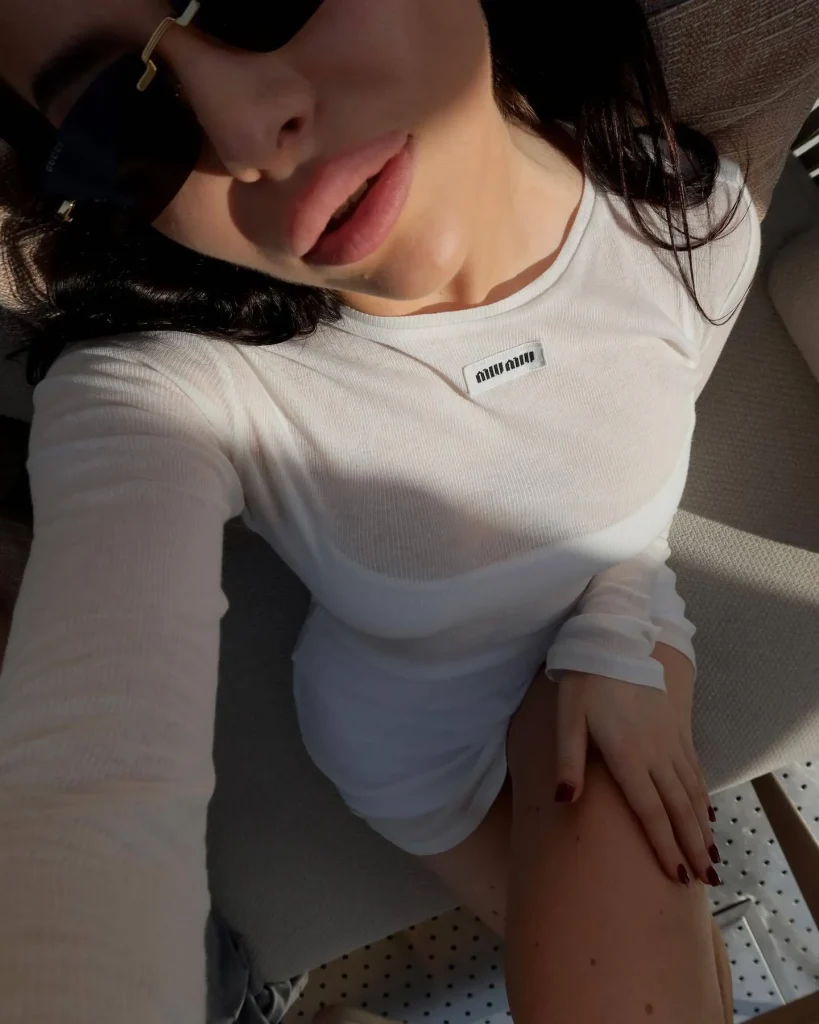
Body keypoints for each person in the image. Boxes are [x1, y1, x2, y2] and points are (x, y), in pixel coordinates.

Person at [0, 1, 762, 1022]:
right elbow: (85, 786)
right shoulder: (169, 390)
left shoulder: (687, 220)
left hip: (610, 639)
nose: (244, 129)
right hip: (413, 750)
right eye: (114, 109)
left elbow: (636, 452)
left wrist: (621, 623)